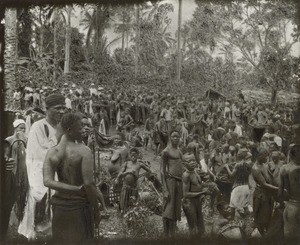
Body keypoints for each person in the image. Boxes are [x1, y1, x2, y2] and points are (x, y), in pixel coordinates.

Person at [43, 113, 103, 244]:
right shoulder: (84, 151)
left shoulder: (52, 152)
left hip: (59, 209)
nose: (84, 130)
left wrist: (74, 189)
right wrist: (96, 211)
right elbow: (89, 184)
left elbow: (47, 181)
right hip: (79, 209)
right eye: (80, 127)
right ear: (69, 130)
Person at [18, 94, 66, 240]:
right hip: (43, 177)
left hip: (62, 177)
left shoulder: (63, 127)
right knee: (41, 220)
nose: (61, 111)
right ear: (47, 109)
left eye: (63, 108)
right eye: (57, 108)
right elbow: (37, 156)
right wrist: (57, 137)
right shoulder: (37, 127)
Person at [3, 119, 28, 240]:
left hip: (23, 170)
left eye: (24, 128)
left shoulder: (25, 140)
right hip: (12, 171)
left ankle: (20, 223)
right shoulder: (9, 140)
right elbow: (6, 156)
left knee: (22, 193)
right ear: (15, 128)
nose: (22, 131)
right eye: (20, 128)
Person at [161, 130, 184, 236]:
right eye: (174, 136)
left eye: (178, 137)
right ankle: (166, 235)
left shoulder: (179, 150)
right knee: (169, 208)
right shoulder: (166, 151)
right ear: (170, 137)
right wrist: (165, 189)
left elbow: (183, 163)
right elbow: (162, 171)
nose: (176, 138)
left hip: (179, 182)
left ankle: (172, 234)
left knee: (176, 207)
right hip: (170, 181)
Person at [116, 148, 152, 213]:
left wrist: (140, 176)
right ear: (129, 155)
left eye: (135, 155)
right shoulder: (127, 163)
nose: (133, 157)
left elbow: (149, 171)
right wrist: (127, 173)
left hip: (134, 186)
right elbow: (120, 173)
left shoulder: (140, 164)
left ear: (138, 155)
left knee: (133, 200)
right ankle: (123, 212)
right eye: (131, 155)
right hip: (125, 185)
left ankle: (131, 213)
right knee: (124, 199)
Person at [252, 147, 278, 236]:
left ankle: (266, 235)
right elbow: (264, 184)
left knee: (268, 216)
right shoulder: (255, 168)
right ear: (259, 156)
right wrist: (278, 189)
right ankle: (261, 236)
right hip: (261, 196)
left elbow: (271, 178)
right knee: (261, 219)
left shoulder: (265, 166)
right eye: (265, 156)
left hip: (268, 195)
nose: (267, 159)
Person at [278, 144, 300, 239]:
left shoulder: (284, 168)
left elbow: (280, 191)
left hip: (292, 205)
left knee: (290, 238)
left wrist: (281, 203)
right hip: (294, 204)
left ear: (290, 155)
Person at [182, 157, 206, 235]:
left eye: (193, 160)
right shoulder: (186, 175)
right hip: (190, 202)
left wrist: (202, 194)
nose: (192, 162)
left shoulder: (195, 171)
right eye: (189, 161)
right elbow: (185, 194)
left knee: (201, 228)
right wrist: (200, 193)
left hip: (197, 200)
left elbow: (198, 185)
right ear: (184, 164)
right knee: (193, 227)